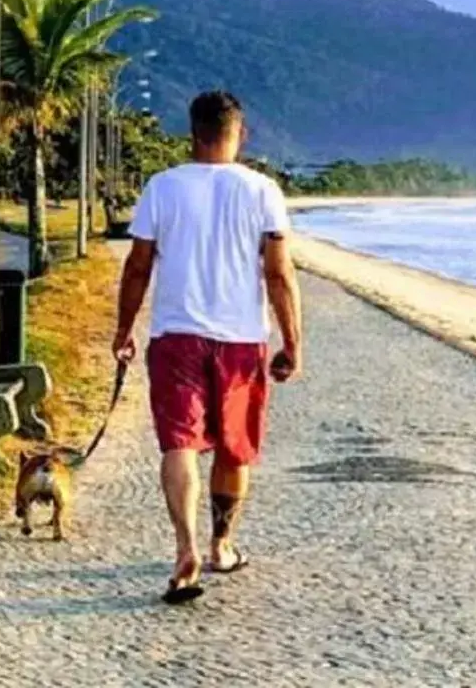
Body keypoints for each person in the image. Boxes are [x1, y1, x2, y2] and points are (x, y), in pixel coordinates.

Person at [110, 90, 304, 605]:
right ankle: (221, 546)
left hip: (175, 335)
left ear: (192, 134)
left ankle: (184, 548)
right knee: (233, 447)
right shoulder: (263, 190)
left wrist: (123, 330)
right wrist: (292, 341)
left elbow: (138, 266)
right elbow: (279, 273)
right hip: (241, 338)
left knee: (180, 444)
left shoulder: (162, 187)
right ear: (239, 134)